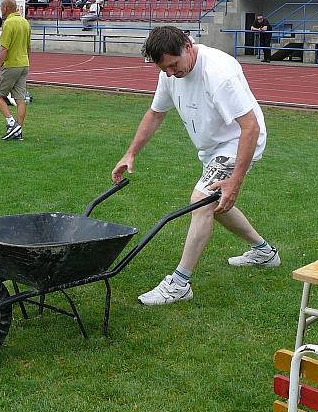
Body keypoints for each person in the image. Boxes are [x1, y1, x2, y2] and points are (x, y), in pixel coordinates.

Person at [111, 27, 280, 306]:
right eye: (164, 69)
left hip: (238, 142)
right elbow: (155, 113)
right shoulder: (169, 71)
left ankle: (179, 283)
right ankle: (264, 252)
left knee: (201, 200)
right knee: (216, 203)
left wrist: (235, 182)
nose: (170, 74)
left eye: (173, 66)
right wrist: (130, 154)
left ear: (188, 46)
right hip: (212, 148)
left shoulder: (218, 73)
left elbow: (249, 127)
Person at [0, 0, 31, 140]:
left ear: (6, 8)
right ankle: (19, 130)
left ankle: (11, 123)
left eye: (1, 7)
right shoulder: (25, 22)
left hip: (12, 64)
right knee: (20, 99)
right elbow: (28, 46)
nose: (1, 10)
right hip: (23, 64)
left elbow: (4, 49)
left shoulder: (9, 23)